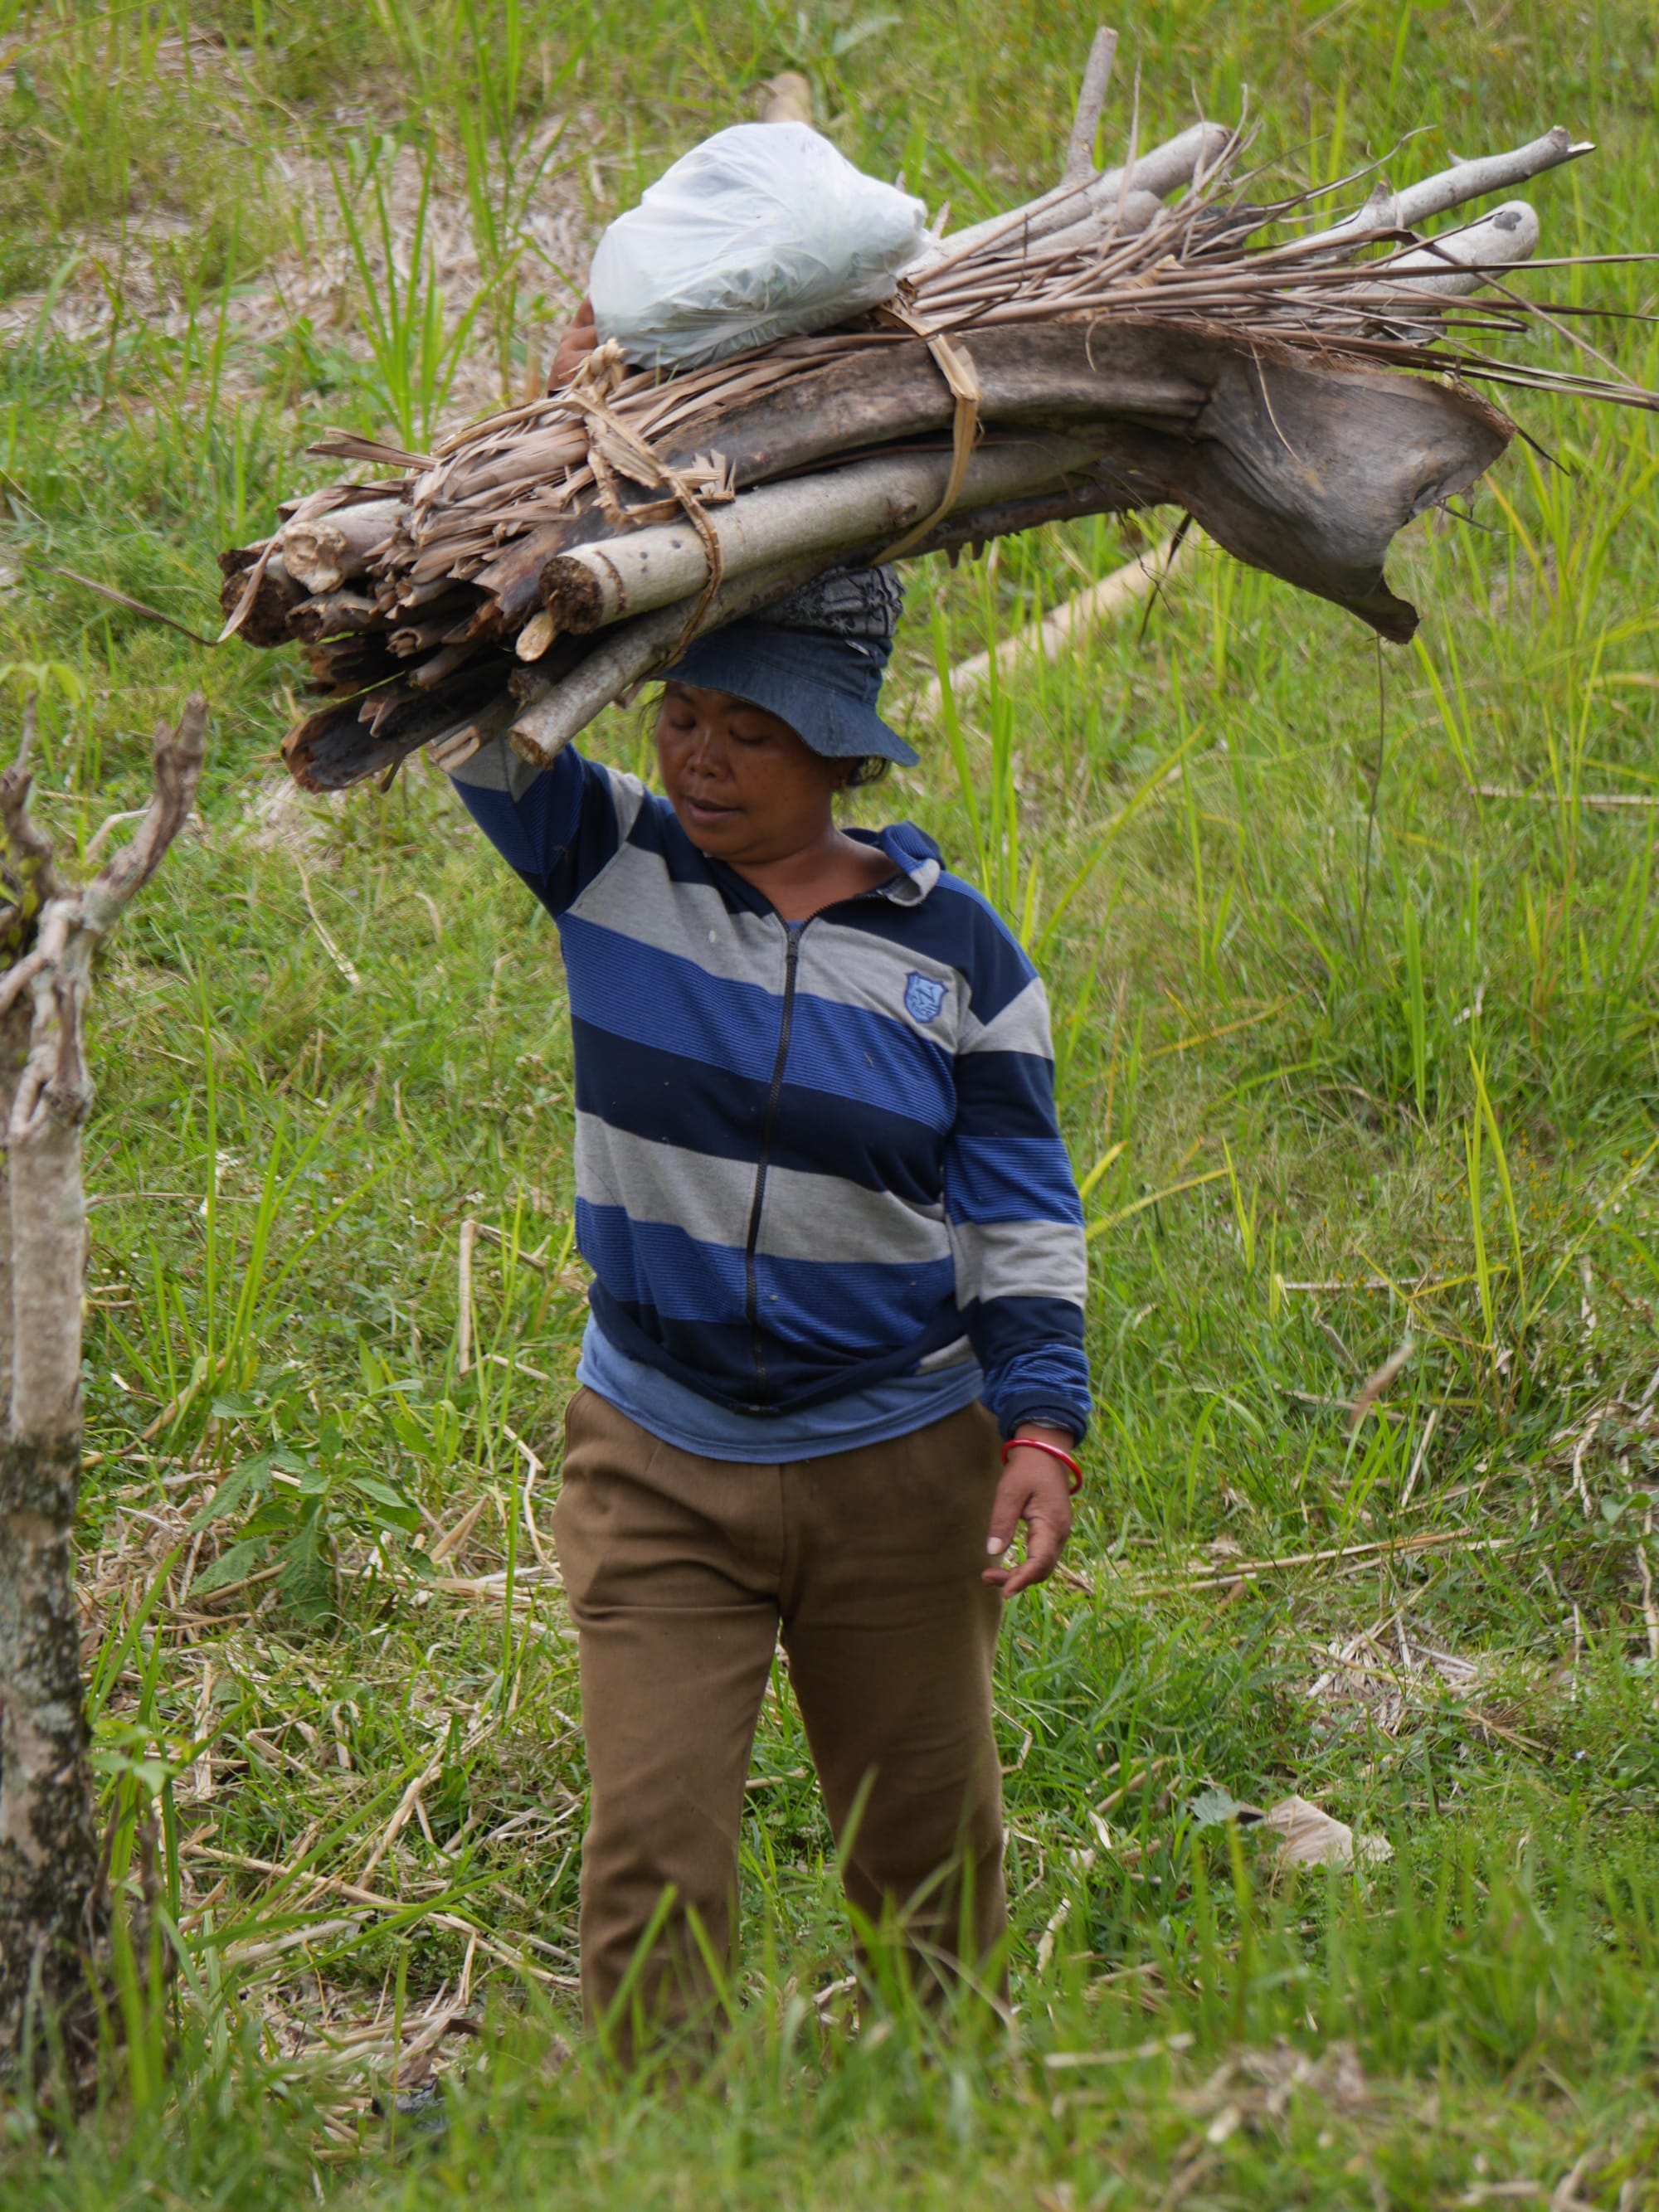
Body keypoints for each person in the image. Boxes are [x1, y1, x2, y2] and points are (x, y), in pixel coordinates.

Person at [447, 565, 1090, 2051]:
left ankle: (946, 2119)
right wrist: (594, 557)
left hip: (901, 1470)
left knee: (924, 1855)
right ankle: (664, 2159)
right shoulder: (607, 852)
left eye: (755, 731)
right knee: (653, 1857)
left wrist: (1044, 1425)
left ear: (841, 755)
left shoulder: (961, 958)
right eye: (681, 714)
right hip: (658, 1459)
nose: (702, 758)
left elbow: (1021, 1212)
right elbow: (473, 711)